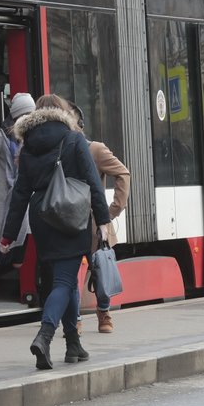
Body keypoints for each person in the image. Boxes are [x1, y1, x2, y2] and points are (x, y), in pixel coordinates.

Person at [0, 95, 110, 369]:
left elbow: (20, 194)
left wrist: (9, 235)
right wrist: (103, 221)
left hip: (42, 216)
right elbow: (93, 182)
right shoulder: (73, 140)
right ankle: (44, 336)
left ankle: (73, 343)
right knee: (63, 281)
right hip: (70, 213)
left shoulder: (27, 146)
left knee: (65, 279)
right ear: (63, 113)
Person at [75, 105, 131, 334]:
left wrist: (113, 210)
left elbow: (123, 173)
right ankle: (74, 318)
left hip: (95, 222)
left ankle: (104, 312)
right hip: (69, 221)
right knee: (69, 272)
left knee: (101, 267)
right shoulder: (59, 150)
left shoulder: (95, 150)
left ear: (79, 126)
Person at [0, 92, 35, 278]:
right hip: (5, 205)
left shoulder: (26, 138)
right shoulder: (1, 138)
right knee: (2, 251)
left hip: (22, 206)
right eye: (26, 115)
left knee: (18, 252)